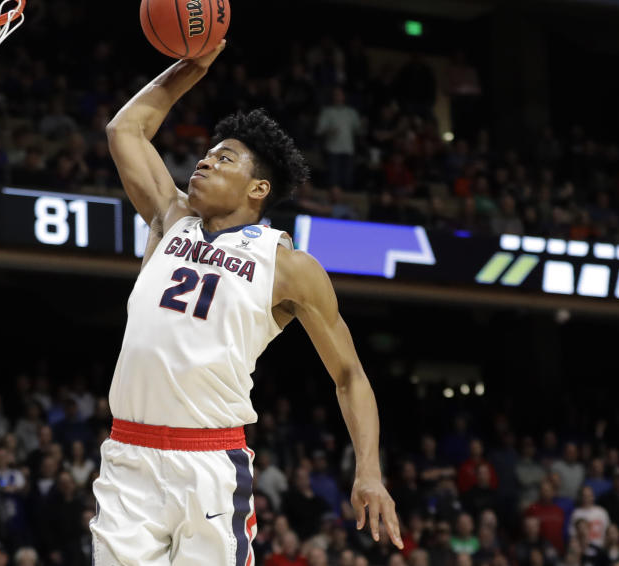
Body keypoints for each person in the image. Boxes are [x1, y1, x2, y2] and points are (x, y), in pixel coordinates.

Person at [91, 40, 401, 565]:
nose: (205, 162)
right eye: (208, 154)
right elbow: (125, 130)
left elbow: (349, 375)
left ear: (258, 188)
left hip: (209, 462)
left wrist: (369, 470)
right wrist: (193, 66)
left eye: (224, 158)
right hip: (128, 458)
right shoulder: (170, 219)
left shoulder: (289, 266)